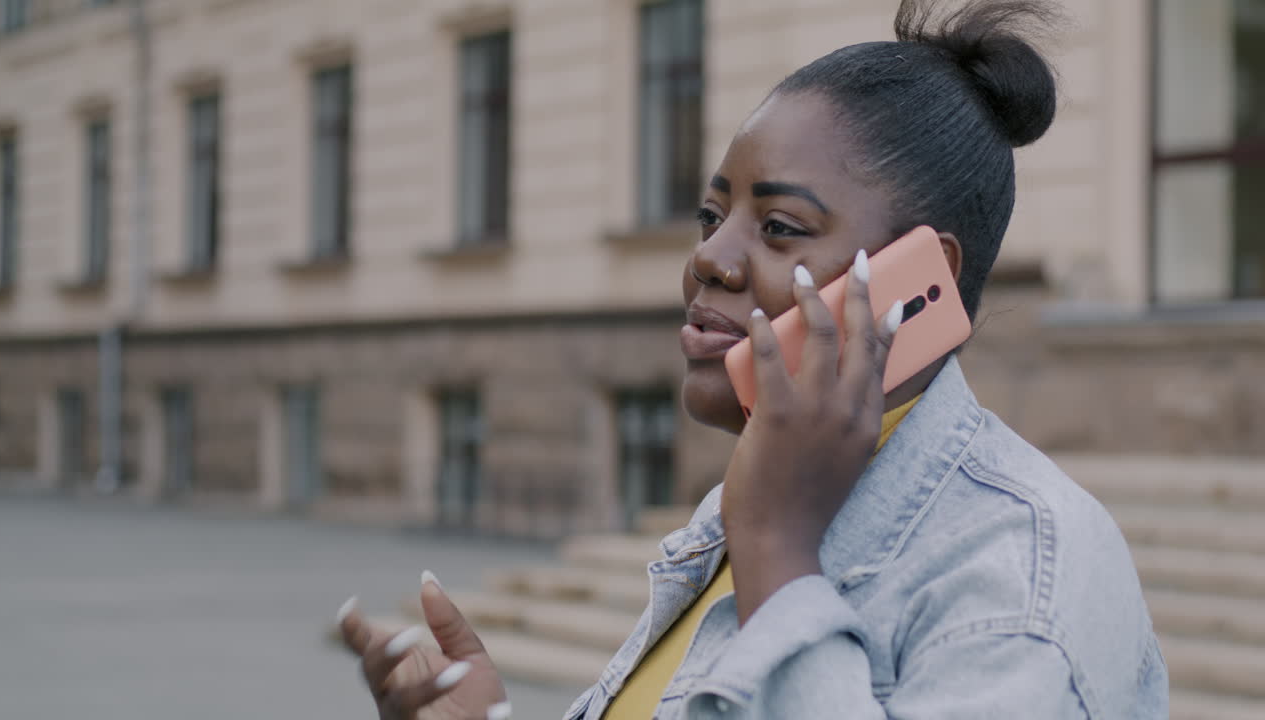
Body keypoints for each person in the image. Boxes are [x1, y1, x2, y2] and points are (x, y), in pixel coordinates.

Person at [337, 0, 1168, 717]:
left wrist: (776, 551)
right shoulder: (755, 500)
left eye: (779, 228)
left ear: (919, 283)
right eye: (710, 217)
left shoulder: (1022, 569)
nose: (710, 259)